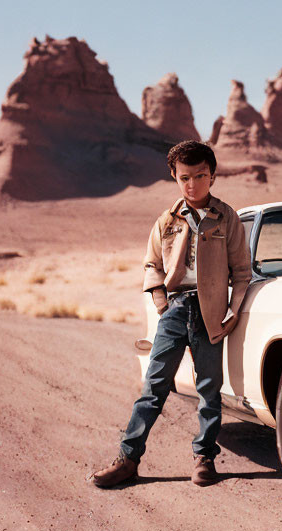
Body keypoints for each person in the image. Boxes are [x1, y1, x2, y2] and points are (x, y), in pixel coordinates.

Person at [90, 141, 251, 488]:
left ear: (213, 176)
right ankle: (129, 459)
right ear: (175, 178)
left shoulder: (228, 217)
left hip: (211, 313)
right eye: (185, 178)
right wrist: (162, 305)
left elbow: (241, 272)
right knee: (154, 388)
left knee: (210, 390)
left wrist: (233, 312)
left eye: (201, 176)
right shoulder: (166, 220)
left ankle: (205, 458)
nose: (193, 185)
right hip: (175, 311)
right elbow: (152, 264)